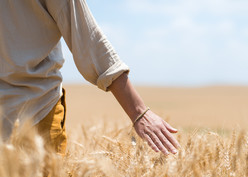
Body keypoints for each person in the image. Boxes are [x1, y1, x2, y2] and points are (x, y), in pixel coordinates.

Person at [0, 0, 180, 155]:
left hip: (38, 113)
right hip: (39, 108)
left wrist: (138, 112)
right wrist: (138, 111)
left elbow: (87, 39)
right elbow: (87, 38)